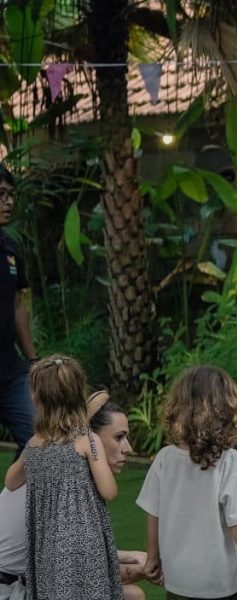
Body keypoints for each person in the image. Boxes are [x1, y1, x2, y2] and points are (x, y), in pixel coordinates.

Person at [0, 391, 152, 600]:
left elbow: (78, 552)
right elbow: (75, 571)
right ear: (92, 440)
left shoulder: (60, 463)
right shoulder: (70, 485)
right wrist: (138, 569)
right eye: (119, 437)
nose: (128, 448)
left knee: (132, 595)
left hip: (30, 579)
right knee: (132, 596)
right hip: (10, 589)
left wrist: (133, 557)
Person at [138, 365, 237, 600]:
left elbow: (153, 512)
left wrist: (152, 556)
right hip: (218, 580)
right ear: (227, 409)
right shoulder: (229, 461)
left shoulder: (165, 459)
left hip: (179, 579)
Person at [4, 355, 123, 600]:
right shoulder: (87, 441)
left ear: (37, 398)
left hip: (48, 548)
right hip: (86, 546)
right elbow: (109, 492)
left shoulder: (33, 446)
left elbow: (11, 481)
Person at [0, 166, 37, 457]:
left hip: (10, 370)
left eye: (11, 195)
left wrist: (33, 360)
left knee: (39, 438)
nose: (9, 202)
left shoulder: (10, 248)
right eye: (1, 195)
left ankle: (13, 501)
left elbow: (16, 306)